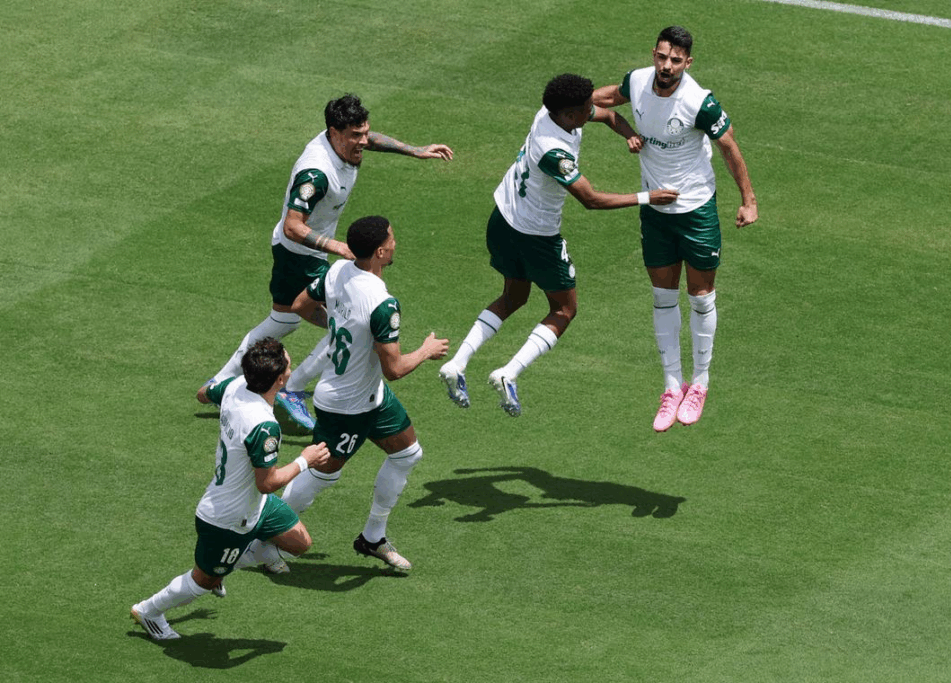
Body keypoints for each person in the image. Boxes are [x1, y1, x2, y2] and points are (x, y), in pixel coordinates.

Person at [199, 94, 453, 431]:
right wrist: (338, 247)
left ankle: (219, 385)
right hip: (300, 255)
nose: (363, 142)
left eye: (365, 133)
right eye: (354, 135)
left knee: (284, 319)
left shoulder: (348, 143)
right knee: (349, 323)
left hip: (308, 253)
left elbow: (371, 139)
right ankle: (293, 387)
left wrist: (415, 149)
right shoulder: (315, 174)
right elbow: (293, 226)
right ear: (333, 132)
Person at [437, 73, 678, 417]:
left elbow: (608, 114)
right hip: (535, 235)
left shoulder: (555, 111)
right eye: (584, 109)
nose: (590, 110)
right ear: (568, 116)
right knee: (565, 309)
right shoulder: (553, 150)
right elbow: (591, 200)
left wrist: (630, 136)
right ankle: (508, 373)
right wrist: (648, 197)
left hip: (503, 217)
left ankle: (457, 364)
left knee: (514, 297)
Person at [592, 26, 758, 430]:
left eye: (675, 60)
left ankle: (699, 383)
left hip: (696, 210)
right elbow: (597, 100)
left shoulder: (698, 102)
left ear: (688, 62)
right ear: (654, 54)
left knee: (700, 297)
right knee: (662, 297)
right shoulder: (637, 82)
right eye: (662, 57)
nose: (666, 66)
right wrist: (622, 129)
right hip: (654, 211)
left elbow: (729, 146)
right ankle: (671, 387)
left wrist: (748, 200)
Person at [131, 338, 332, 640]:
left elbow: (202, 394)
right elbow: (268, 482)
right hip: (228, 518)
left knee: (299, 543)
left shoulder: (237, 384)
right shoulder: (264, 426)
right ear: (280, 379)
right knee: (204, 581)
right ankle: (149, 610)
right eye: (289, 364)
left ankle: (238, 558)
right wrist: (305, 461)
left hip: (255, 504)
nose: (291, 365)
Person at [281, 215, 448, 572]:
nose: (396, 242)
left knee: (407, 454)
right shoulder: (382, 302)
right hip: (345, 406)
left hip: (371, 395)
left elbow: (299, 306)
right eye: (392, 238)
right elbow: (396, 369)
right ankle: (268, 533)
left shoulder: (338, 270)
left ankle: (373, 537)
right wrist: (427, 350)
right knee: (323, 473)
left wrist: (342, 326)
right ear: (380, 251)